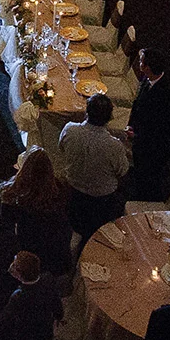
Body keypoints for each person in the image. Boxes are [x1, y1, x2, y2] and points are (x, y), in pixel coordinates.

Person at [57, 93, 130, 245]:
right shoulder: (114, 146)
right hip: (102, 203)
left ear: (87, 112)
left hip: (72, 194)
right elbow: (123, 172)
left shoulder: (69, 129)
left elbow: (61, 148)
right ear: (109, 118)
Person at [0, 149, 73, 276]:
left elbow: (6, 221)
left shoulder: (14, 195)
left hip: (30, 240)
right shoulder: (61, 188)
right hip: (56, 242)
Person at [127, 48, 170, 200]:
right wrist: (131, 124)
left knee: (146, 176)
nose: (139, 64)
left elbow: (158, 128)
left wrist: (137, 136)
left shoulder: (164, 94)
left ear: (148, 67)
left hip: (152, 146)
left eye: (141, 62)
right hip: (140, 133)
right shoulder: (147, 79)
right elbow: (137, 104)